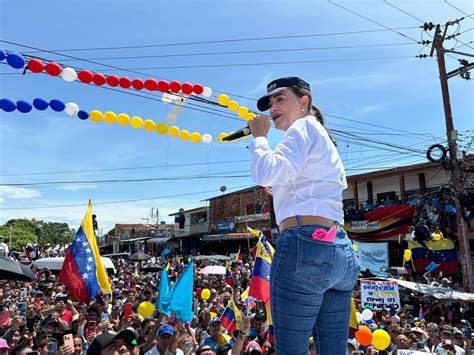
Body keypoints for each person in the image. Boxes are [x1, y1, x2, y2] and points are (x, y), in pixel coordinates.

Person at [248, 77, 360, 354]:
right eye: (270, 102)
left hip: (305, 245)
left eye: (280, 99)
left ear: (304, 102)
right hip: (339, 248)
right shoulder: (317, 133)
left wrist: (260, 137)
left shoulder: (302, 127)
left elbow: (266, 172)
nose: (272, 107)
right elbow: (295, 184)